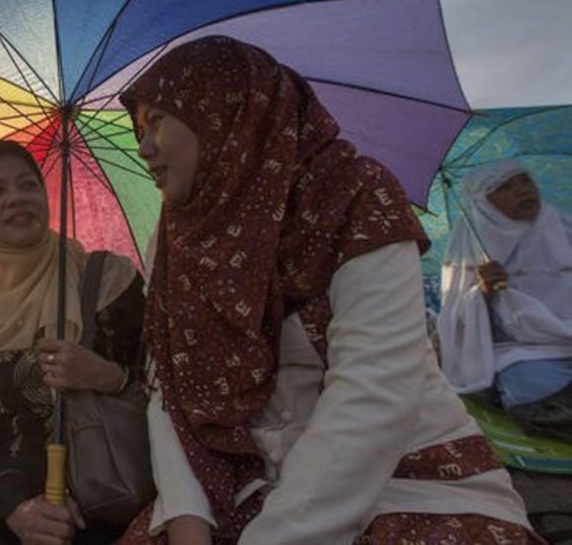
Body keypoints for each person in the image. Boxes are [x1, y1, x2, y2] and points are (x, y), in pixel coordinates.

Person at [118, 35, 535, 543]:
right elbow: (172, 397)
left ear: (224, 111)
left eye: (157, 120)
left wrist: (269, 538)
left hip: (401, 477)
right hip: (240, 485)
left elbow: (374, 388)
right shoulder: (173, 238)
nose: (143, 148)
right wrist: (188, 521)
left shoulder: (352, 196)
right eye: (139, 129)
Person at [0, 140, 146, 545]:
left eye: (27, 185)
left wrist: (107, 377)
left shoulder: (110, 281)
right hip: (19, 510)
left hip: (113, 498)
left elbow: (172, 395)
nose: (16, 198)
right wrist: (18, 510)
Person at [437, 159, 572, 439]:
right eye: (505, 187)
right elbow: (455, 320)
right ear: (484, 202)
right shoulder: (470, 241)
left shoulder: (560, 223)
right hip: (523, 350)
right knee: (528, 385)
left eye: (525, 180)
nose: (522, 190)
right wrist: (483, 292)